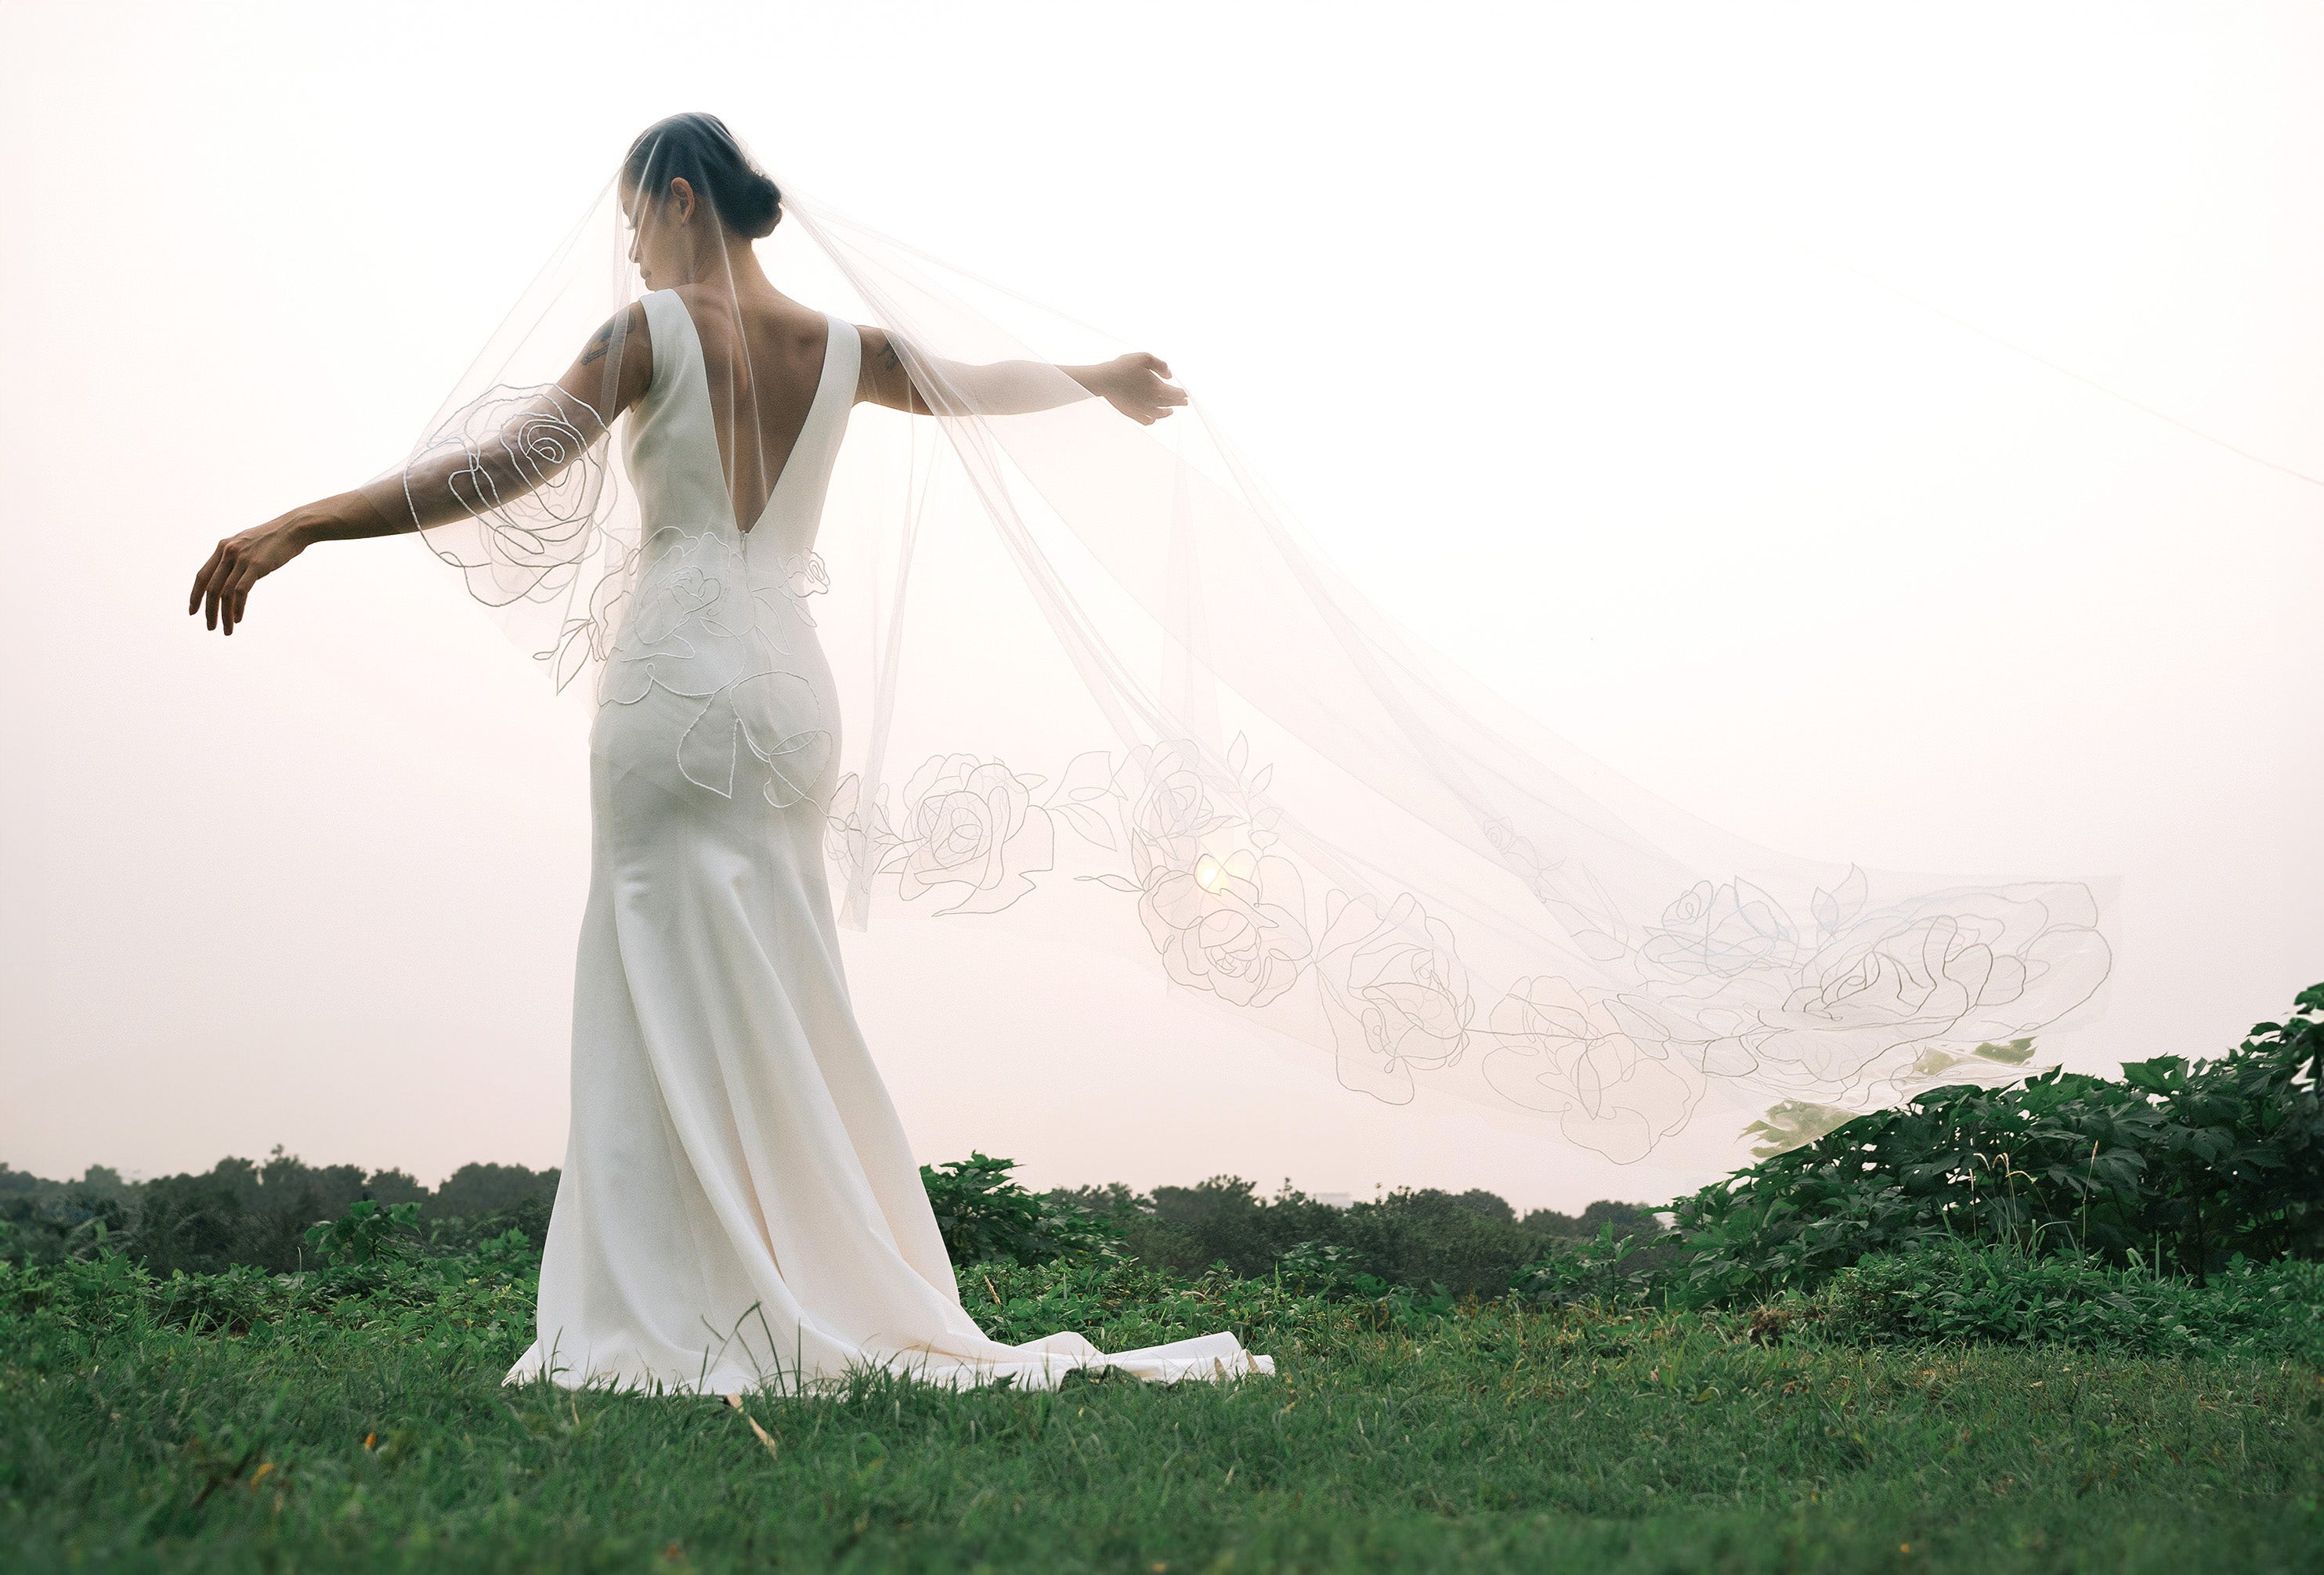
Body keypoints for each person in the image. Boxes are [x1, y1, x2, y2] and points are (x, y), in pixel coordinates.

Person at [188, 112, 1276, 1396]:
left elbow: (501, 467)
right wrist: (1096, 377)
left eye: (637, 221)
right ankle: (804, 1271)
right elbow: (980, 390)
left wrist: (301, 523)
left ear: (685, 198)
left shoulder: (649, 335)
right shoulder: (847, 350)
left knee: (652, 955)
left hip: (677, 684)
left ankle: (680, 1301)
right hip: (789, 693)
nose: (632, 252)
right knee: (780, 972)